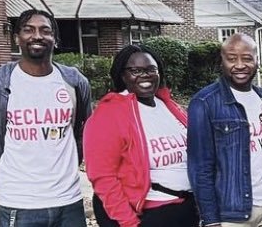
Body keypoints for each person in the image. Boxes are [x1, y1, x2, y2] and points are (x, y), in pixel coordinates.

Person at [0, 9, 92, 227]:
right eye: (28, 30)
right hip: (20, 203)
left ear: (55, 39)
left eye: (45, 30)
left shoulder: (74, 82)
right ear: (16, 38)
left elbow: (82, 131)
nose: (37, 36)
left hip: (68, 200)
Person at [84, 45, 198, 226]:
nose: (145, 75)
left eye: (151, 69)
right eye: (135, 70)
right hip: (148, 215)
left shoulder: (169, 106)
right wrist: (129, 222)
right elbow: (103, 177)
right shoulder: (109, 114)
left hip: (186, 211)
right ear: (122, 75)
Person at [188, 33, 262, 227]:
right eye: (232, 59)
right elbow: (200, 168)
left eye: (247, 58)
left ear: (257, 60)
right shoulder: (204, 102)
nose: (240, 65)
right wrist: (211, 220)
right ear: (221, 61)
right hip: (230, 214)